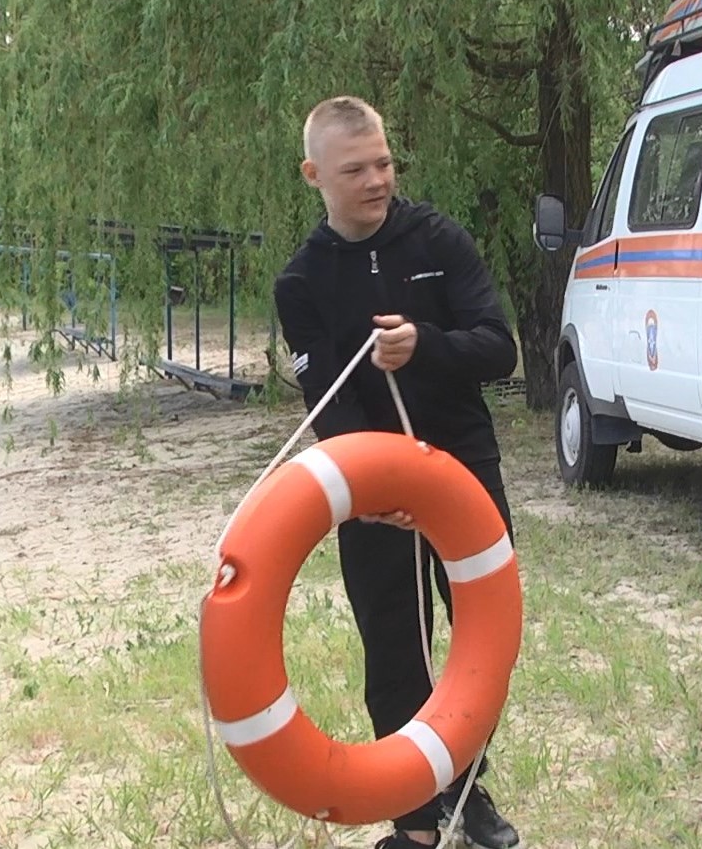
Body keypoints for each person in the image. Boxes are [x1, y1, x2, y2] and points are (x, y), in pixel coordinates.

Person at [272, 96, 523, 849]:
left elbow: (499, 348)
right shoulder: (302, 282)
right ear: (316, 174)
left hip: (463, 470)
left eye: (383, 162)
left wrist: (426, 345)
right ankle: (415, 818)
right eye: (356, 170)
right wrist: (375, 491)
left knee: (484, 640)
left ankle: (467, 789)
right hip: (371, 489)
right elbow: (327, 402)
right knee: (393, 645)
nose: (377, 180)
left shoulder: (439, 239)